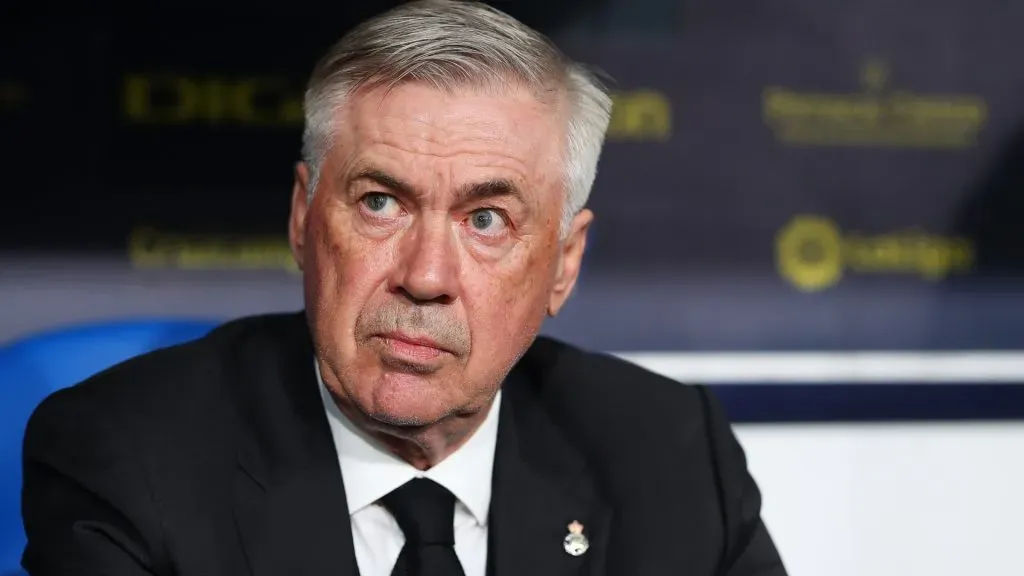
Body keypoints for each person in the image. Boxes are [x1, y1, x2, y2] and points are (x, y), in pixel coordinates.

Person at [20, 1, 787, 575]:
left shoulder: (670, 455)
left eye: (486, 219)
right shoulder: (127, 461)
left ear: (563, 262)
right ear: (303, 218)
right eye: (380, 202)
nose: (424, 277)